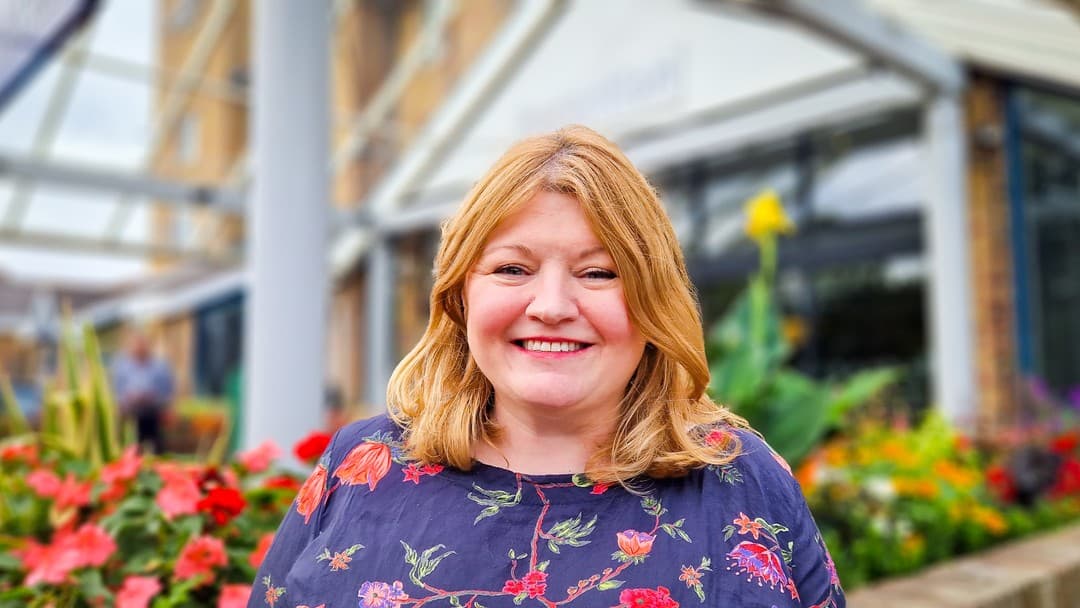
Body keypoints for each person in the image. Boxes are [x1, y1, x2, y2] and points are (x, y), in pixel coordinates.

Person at [250, 126, 845, 607]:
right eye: (512, 269)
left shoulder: (742, 482)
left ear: (653, 301)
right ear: (460, 295)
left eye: (599, 273)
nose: (553, 306)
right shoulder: (359, 468)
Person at [110, 328, 175, 454]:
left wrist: (164, 405)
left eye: (142, 344)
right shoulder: (122, 365)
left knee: (157, 447)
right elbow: (116, 388)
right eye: (136, 344)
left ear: (148, 346)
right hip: (130, 414)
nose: (139, 348)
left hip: (153, 413)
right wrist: (122, 402)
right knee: (131, 447)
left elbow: (168, 389)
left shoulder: (160, 365)